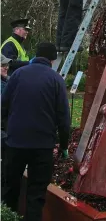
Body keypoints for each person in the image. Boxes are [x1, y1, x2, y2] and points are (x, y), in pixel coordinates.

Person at [1, 42, 70, 221]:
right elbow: (64, 118)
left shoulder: (17, 75)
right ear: (53, 59)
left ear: (35, 56)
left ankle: (9, 216)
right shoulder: (56, 80)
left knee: (10, 188)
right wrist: (64, 145)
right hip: (42, 146)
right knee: (36, 194)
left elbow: (3, 106)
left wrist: (9, 129)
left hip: (15, 142)